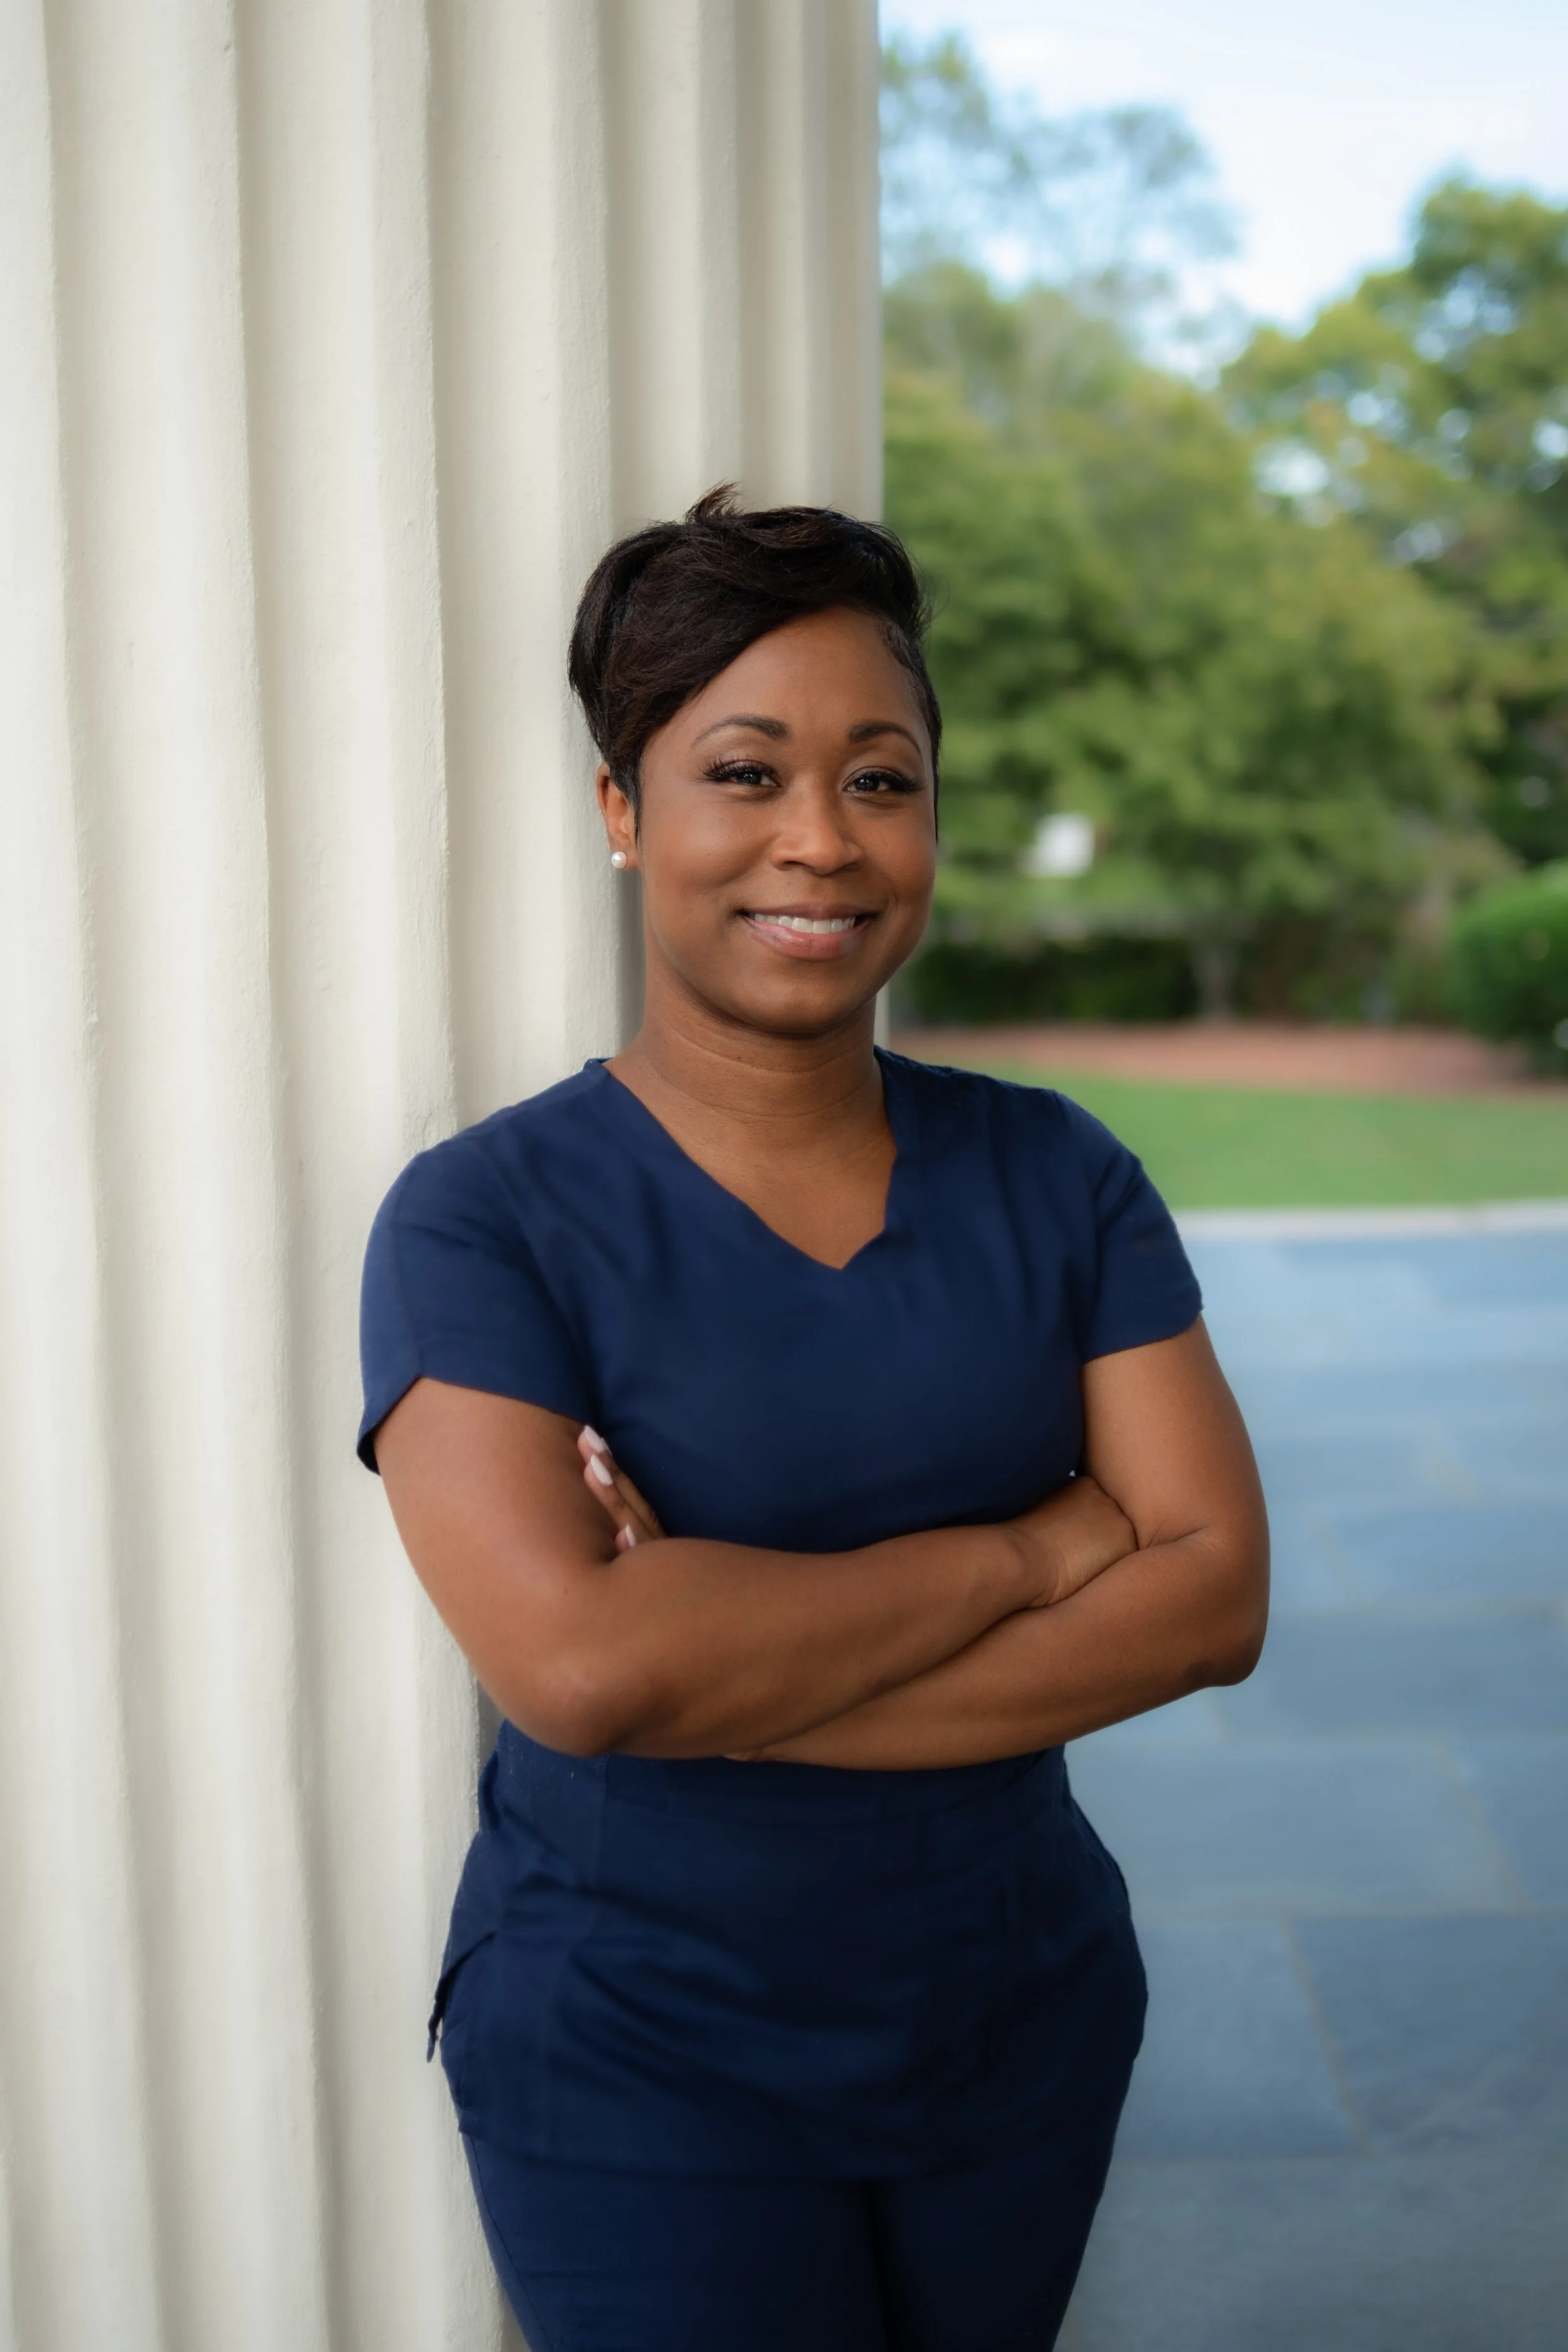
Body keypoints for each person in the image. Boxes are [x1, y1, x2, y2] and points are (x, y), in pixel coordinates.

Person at [358, 489, 1269, 2351]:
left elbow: (1209, 1596)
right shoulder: (483, 1218)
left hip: (1015, 2018)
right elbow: (590, 1675)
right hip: (638, 2055)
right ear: (624, 812)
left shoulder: (1058, 1174)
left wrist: (732, 1660)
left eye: (879, 778)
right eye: (742, 771)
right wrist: (1033, 1548)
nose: (819, 840)